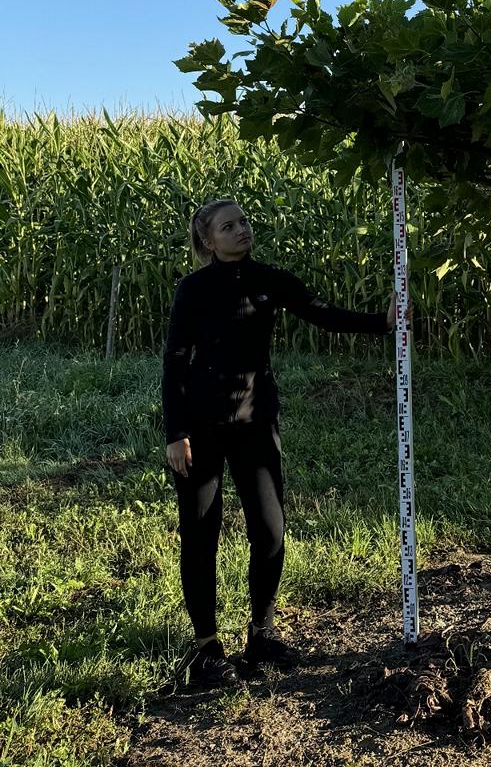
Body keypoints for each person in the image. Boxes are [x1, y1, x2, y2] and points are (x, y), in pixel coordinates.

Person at [163, 197, 400, 690]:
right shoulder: (193, 290)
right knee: (201, 535)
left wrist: (383, 322)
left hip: (255, 422)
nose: (242, 231)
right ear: (208, 241)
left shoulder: (270, 279)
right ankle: (206, 649)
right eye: (229, 227)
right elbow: (175, 361)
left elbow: (323, 314)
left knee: (270, 531)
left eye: (244, 222)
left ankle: (261, 634)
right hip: (201, 428)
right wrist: (176, 433)